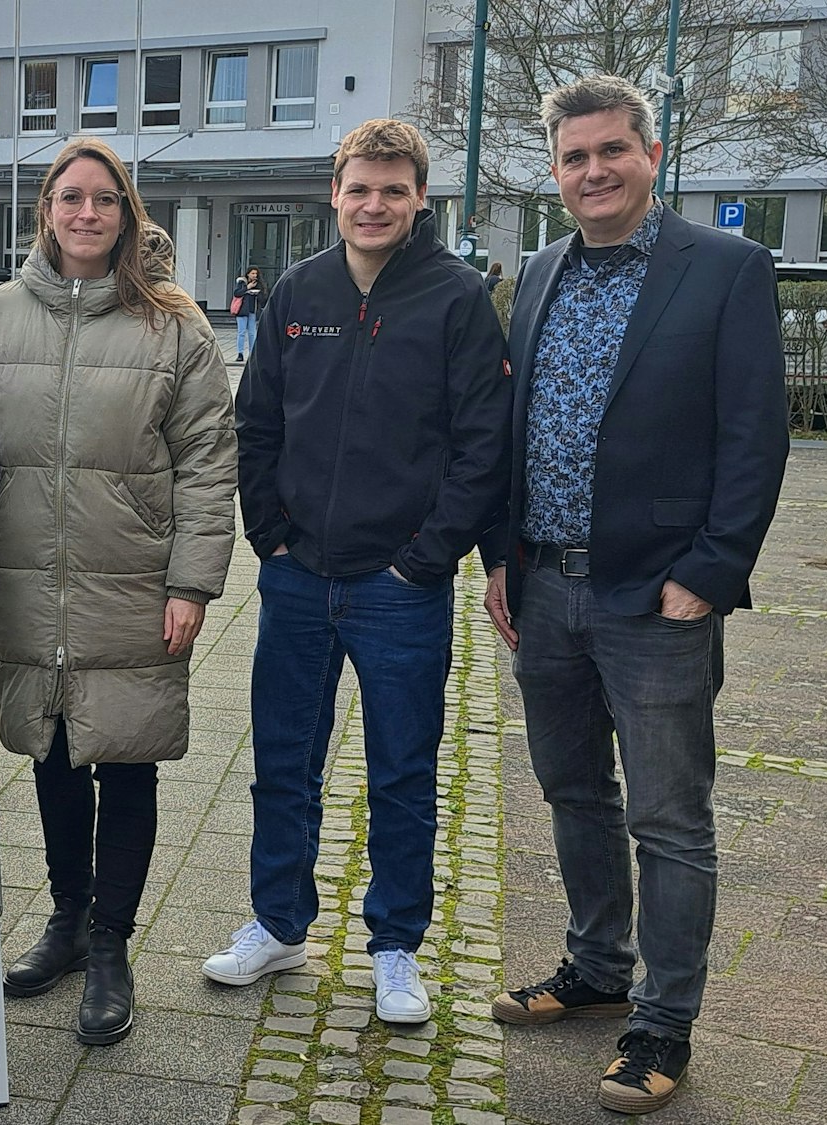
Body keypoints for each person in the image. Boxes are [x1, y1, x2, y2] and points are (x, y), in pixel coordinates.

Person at [481, 76, 787, 1115]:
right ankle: (595, 969)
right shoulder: (537, 269)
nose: (592, 172)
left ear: (649, 155)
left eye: (611, 151)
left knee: (667, 819)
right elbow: (514, 426)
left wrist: (709, 572)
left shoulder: (725, 270)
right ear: (554, 172)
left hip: (655, 599)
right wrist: (499, 558)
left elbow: (753, 435)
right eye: (572, 158)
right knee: (573, 795)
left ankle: (662, 1023)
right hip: (545, 588)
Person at [206, 119, 511, 1028]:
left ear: (420, 198)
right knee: (283, 763)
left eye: (393, 189)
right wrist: (270, 534)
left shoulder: (457, 299)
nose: (373, 205)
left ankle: (394, 946)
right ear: (332, 195)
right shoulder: (299, 291)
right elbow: (254, 424)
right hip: (299, 578)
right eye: (358, 188)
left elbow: (481, 445)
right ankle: (279, 922)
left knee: (402, 771)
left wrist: (426, 558)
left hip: (400, 588)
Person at [0, 138, 235, 1046]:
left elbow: (210, 466)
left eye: (105, 199)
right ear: (47, 211)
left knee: (127, 757)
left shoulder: (174, 327)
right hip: (26, 576)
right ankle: (66, 921)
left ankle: (111, 943)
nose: (87, 214)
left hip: (134, 582)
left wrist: (192, 582)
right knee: (52, 753)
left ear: (128, 213)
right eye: (71, 198)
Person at [231, 267, 263, 361]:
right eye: (252, 273)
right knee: (241, 332)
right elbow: (237, 293)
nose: (254, 275)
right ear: (248, 274)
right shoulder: (242, 282)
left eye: (256, 274)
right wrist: (247, 288)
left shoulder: (258, 283)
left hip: (252, 310)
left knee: (252, 333)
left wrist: (258, 292)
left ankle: (252, 354)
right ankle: (240, 353)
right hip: (242, 311)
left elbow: (263, 295)